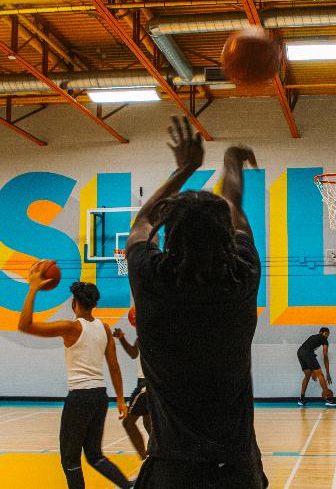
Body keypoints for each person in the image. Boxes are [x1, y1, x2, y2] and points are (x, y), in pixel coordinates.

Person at [125, 115, 268, 488]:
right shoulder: (243, 277)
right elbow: (235, 209)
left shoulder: (150, 278)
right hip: (237, 468)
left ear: (168, 235)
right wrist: (232, 163)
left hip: (174, 469)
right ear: (226, 240)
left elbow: (142, 222)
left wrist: (185, 168)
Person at [18, 274, 135, 489]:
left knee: (70, 459)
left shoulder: (71, 328)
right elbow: (114, 366)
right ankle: (128, 486)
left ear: (74, 303)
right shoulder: (105, 329)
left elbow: (24, 325)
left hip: (80, 396)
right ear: (96, 304)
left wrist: (33, 287)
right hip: (101, 396)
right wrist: (120, 399)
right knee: (95, 455)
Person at [113, 326, 152, 460]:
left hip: (146, 384)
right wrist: (122, 338)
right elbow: (134, 353)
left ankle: (146, 462)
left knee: (128, 422)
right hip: (149, 383)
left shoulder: (148, 333)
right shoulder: (144, 334)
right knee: (149, 423)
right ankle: (160, 459)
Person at [297, 327, 336, 407]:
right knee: (320, 374)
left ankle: (301, 399)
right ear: (321, 333)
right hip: (308, 353)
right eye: (325, 334)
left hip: (300, 352)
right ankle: (328, 399)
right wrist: (328, 374)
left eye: (327, 335)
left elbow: (305, 349)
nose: (326, 336)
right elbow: (325, 356)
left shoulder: (313, 336)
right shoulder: (324, 340)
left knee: (307, 375)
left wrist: (312, 371)